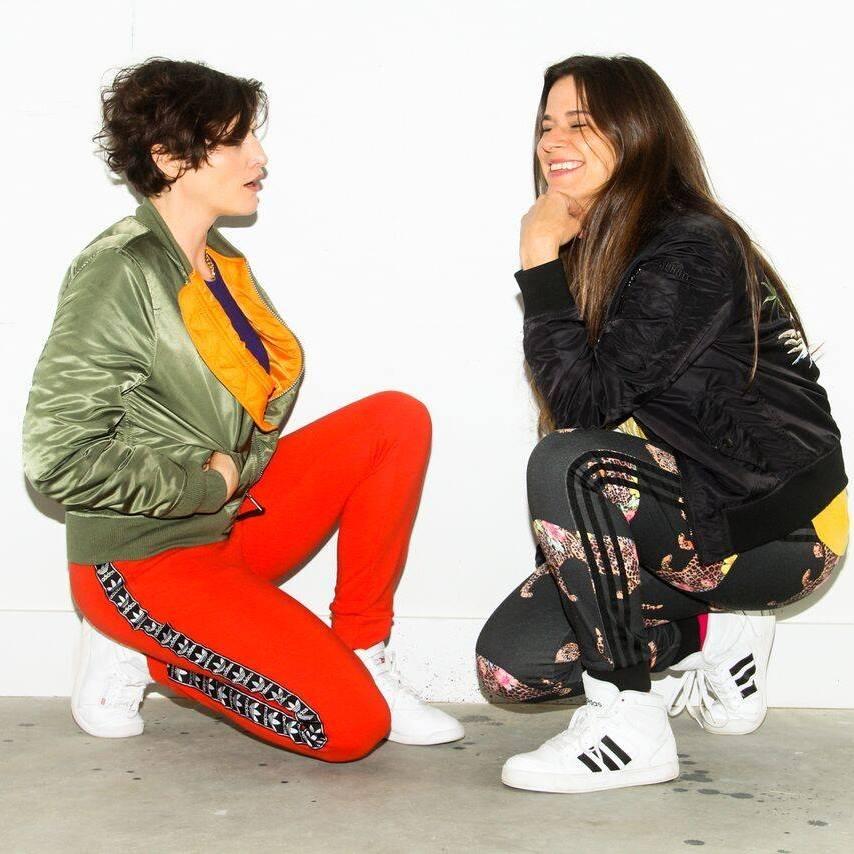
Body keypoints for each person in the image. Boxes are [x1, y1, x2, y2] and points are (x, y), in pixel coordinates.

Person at [22, 57, 463, 762]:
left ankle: (365, 651)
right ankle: (146, 650)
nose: (259, 157)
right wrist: (207, 485)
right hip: (144, 560)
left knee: (394, 420)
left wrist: (234, 477)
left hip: (228, 524)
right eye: (235, 140)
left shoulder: (217, 260)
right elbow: (57, 457)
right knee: (351, 729)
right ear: (169, 156)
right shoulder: (119, 270)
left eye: (252, 137)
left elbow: (255, 407)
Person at [476, 54, 848, 793]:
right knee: (511, 670)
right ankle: (714, 631)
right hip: (690, 513)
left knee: (569, 461)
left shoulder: (689, 245)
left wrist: (535, 261)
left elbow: (586, 411)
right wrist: (557, 262)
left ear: (638, 132)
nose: (555, 140)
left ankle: (629, 725)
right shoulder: (605, 247)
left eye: (581, 123)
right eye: (547, 124)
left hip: (780, 529)